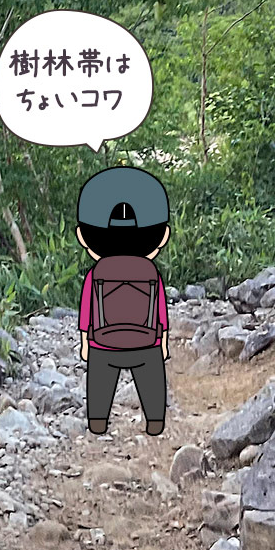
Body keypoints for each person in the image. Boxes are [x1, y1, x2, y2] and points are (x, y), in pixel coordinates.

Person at [74, 165, 170, 436]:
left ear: (84, 236)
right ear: (161, 236)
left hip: (102, 344)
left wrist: (84, 343)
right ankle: (154, 422)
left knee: (99, 384)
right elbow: (160, 310)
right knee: (152, 382)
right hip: (147, 343)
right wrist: (162, 343)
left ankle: (97, 422)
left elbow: (86, 312)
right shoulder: (151, 271)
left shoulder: (96, 273)